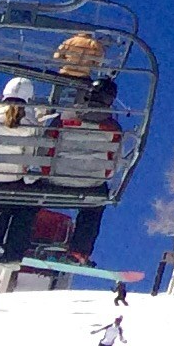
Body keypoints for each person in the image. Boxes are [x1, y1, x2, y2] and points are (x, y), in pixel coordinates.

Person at [46, 76, 122, 262]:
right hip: (91, 183)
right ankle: (79, 251)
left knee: (27, 196)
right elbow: (114, 164)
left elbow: (46, 147)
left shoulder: (64, 118)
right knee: (94, 207)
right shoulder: (113, 128)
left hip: (56, 179)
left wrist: (45, 171)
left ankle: (16, 241)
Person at [0, 78, 49, 263]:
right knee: (18, 197)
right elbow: (30, 155)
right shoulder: (30, 124)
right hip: (9, 178)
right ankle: (6, 249)